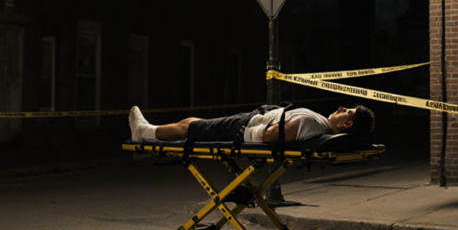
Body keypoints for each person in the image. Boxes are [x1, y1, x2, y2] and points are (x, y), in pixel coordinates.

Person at [128, 104, 375, 144]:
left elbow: (271, 136)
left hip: (243, 127)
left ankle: (143, 132)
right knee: (194, 123)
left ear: (347, 124)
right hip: (245, 124)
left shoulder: (312, 123)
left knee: (189, 125)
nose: (342, 108)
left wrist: (242, 134)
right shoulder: (319, 124)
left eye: (347, 111)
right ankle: (148, 131)